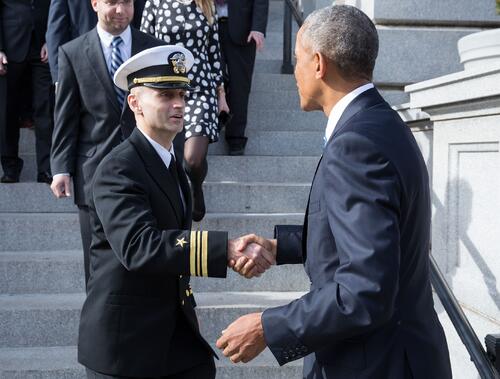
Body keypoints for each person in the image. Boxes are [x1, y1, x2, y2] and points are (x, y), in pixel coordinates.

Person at [215, 5, 453, 379]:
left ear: (319, 64)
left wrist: (268, 327)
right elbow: (374, 240)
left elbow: (365, 289)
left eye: (297, 60)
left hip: (374, 364)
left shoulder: (355, 144)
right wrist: (283, 248)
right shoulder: (382, 123)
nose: (294, 71)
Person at [78, 44, 275, 379]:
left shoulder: (172, 163)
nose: (179, 104)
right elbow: (139, 247)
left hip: (173, 337)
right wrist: (223, 249)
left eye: (182, 95)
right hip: (127, 347)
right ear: (134, 102)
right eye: (166, 95)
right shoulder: (117, 168)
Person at [50, 0, 163, 288]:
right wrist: (61, 168)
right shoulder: (72, 52)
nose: (120, 10)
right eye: (112, 2)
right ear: (95, 3)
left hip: (144, 170)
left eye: (126, 2)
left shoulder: (151, 49)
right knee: (97, 265)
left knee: (146, 260)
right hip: (94, 173)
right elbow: (66, 116)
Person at [141, 0, 230, 222]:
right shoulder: (156, 3)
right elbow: (143, 46)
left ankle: (196, 188)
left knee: (193, 160)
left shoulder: (205, 3)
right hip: (166, 89)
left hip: (201, 88)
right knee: (173, 157)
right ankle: (178, 200)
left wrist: (221, 95)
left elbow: (214, 51)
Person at [0, 0, 53, 184]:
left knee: (45, 107)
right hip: (10, 46)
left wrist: (51, 39)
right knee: (8, 109)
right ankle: (10, 167)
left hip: (42, 47)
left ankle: (46, 169)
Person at [46, 0, 147, 84]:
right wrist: (59, 78)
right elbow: (56, 30)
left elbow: (140, 15)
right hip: (81, 65)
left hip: (127, 55)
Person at [215, 0, 269, 155]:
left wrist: (258, 27)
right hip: (206, 27)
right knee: (212, 80)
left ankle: (236, 138)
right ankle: (209, 127)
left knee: (240, 86)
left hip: (243, 30)